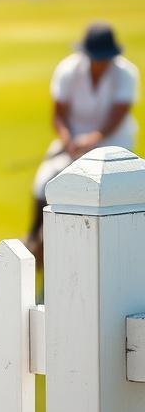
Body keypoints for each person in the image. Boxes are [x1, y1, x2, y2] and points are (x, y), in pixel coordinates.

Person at [25, 21, 138, 250]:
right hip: (73, 141)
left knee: (118, 189)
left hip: (113, 143)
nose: (101, 63)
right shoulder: (68, 70)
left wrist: (94, 138)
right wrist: (67, 139)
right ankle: (34, 236)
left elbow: (119, 114)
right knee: (43, 179)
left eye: (105, 58)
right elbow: (58, 114)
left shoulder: (126, 73)